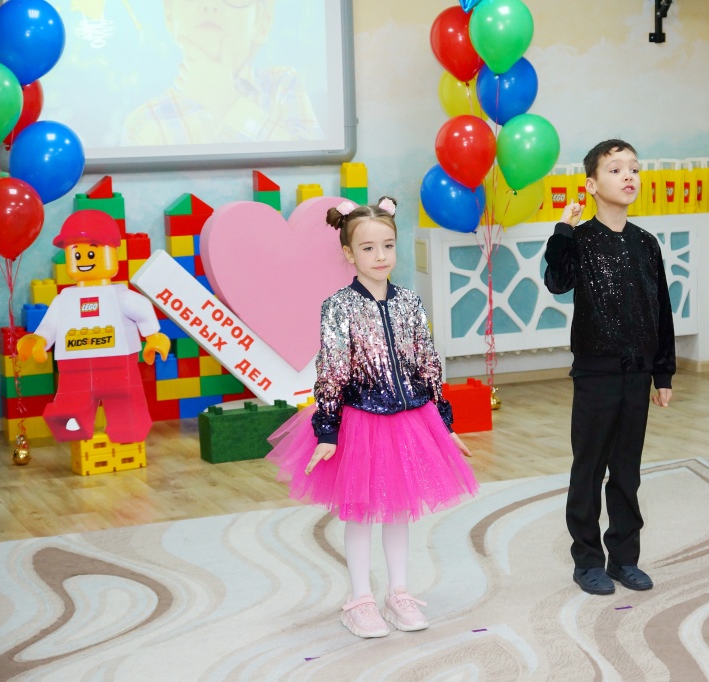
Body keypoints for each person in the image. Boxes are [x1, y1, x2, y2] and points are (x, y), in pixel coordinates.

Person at [266, 196, 478, 639]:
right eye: (368, 248)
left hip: (410, 420)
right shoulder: (339, 306)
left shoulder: (410, 303)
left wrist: (443, 422)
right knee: (360, 512)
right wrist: (327, 430)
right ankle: (360, 599)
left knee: (399, 508)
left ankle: (398, 593)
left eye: (388, 245)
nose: (380, 256)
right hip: (360, 421)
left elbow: (427, 363)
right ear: (348, 253)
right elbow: (332, 370)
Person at [543, 139, 676, 596]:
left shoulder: (646, 244)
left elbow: (661, 311)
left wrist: (663, 373)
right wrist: (563, 230)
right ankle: (587, 561)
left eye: (633, 168)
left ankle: (624, 558)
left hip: (637, 374)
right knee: (589, 468)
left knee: (626, 471)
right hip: (595, 374)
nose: (628, 176)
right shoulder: (579, 240)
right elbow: (557, 281)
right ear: (592, 185)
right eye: (615, 169)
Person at [16, 210, 171, 443]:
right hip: (73, 367)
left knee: (124, 403)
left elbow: (142, 309)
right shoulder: (65, 299)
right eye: (76, 254)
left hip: (117, 364)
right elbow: (50, 325)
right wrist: (39, 339)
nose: (84, 260)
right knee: (71, 406)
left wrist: (153, 336)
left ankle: (127, 433)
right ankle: (75, 430)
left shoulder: (119, 295)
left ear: (111, 253)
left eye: (91, 253)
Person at [121, 0, 322, 146]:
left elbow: (311, 168)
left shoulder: (283, 85)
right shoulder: (143, 124)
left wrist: (226, 103)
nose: (210, 5)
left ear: (261, 24)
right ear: (169, 16)